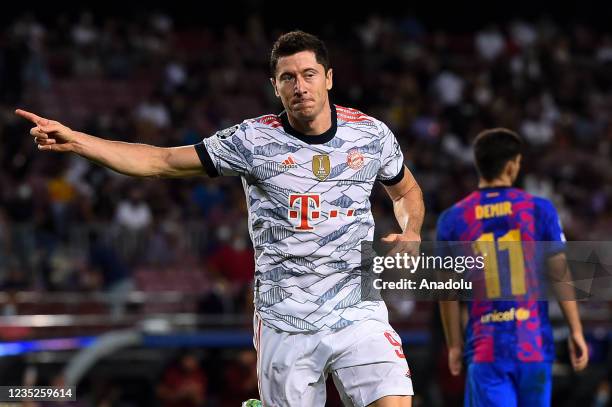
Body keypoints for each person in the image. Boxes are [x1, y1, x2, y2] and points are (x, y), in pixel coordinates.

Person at [16, 31, 424, 406]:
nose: (300, 86)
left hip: (358, 309)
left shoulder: (370, 135)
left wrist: (412, 230)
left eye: (309, 74)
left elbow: (405, 191)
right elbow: (161, 161)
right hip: (286, 319)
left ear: (329, 78)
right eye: (287, 78)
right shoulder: (250, 141)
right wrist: (79, 142)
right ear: (275, 86)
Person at [437, 128, 589, 407]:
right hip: (534, 347)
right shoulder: (540, 209)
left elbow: (447, 291)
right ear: (512, 165)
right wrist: (576, 331)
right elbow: (560, 273)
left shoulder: (453, 218)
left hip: (486, 349)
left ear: (479, 164)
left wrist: (454, 345)